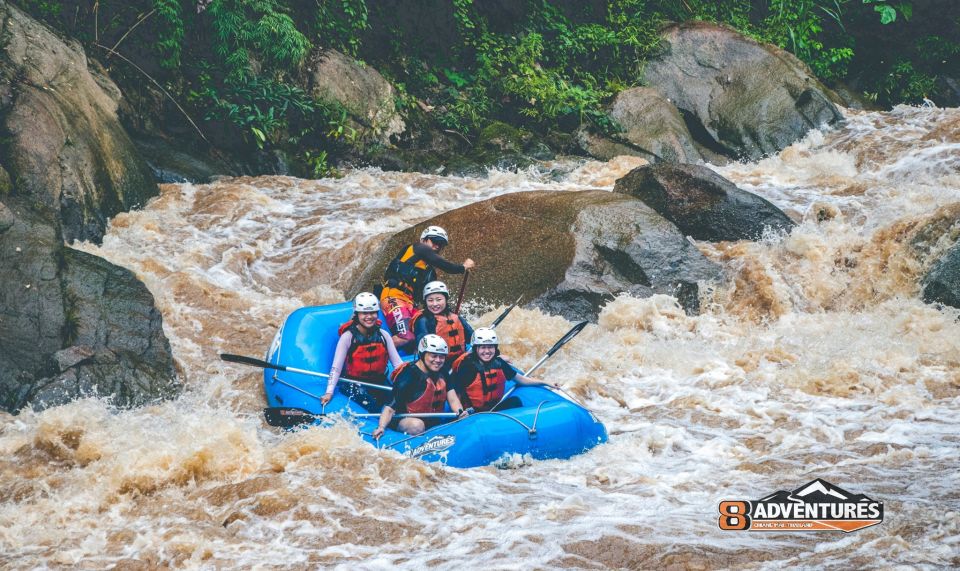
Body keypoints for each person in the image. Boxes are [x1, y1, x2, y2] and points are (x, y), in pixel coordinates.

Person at [380, 226, 475, 350]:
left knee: (426, 328)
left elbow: (431, 298)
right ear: (424, 240)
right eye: (434, 241)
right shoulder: (418, 248)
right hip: (393, 297)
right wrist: (463, 267)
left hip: (410, 303)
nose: (437, 246)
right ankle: (374, 351)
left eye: (440, 244)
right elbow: (446, 266)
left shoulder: (429, 273)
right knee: (406, 337)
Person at [372, 334, 468, 439]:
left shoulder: (443, 371)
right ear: (422, 354)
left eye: (441, 356)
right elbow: (390, 408)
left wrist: (460, 413)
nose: (438, 360)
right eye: (433, 355)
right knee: (417, 426)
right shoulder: (408, 375)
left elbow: (453, 398)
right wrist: (381, 427)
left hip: (433, 421)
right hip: (405, 420)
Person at [322, 292, 404, 412]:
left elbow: (398, 364)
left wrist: (408, 382)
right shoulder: (348, 337)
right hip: (354, 385)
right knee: (374, 406)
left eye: (373, 312)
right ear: (357, 314)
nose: (369, 317)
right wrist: (329, 392)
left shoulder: (383, 335)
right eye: (364, 313)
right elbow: (336, 367)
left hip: (379, 382)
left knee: (398, 404)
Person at [449, 328, 558, 412]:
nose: (487, 351)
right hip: (471, 414)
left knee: (516, 401)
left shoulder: (499, 364)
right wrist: (460, 412)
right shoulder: (467, 367)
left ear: (495, 348)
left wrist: (546, 382)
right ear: (476, 349)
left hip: (494, 409)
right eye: (483, 347)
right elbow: (455, 394)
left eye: (490, 347)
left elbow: (522, 380)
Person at [412, 281, 474, 366]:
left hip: (459, 361)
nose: (435, 304)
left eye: (439, 299)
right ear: (425, 302)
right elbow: (423, 348)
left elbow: (472, 337)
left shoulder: (456, 317)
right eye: (430, 300)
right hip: (436, 364)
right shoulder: (423, 321)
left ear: (446, 299)